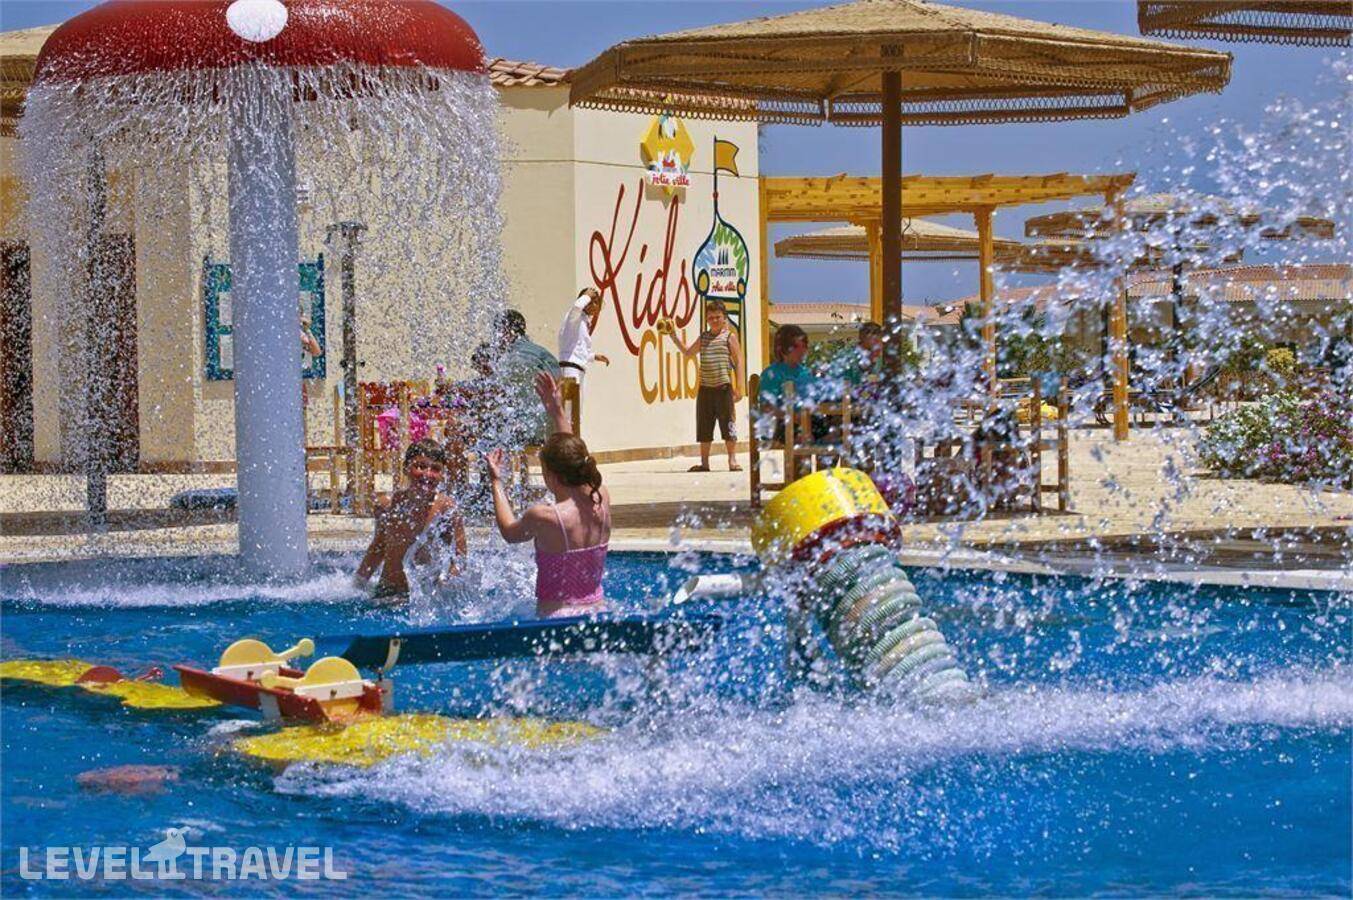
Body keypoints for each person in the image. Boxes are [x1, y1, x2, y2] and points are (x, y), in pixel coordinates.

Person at [486, 372, 610, 619]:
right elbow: (574, 452)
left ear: (550, 475)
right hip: (598, 611)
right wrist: (557, 412)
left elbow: (509, 532)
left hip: (556, 620)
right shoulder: (601, 497)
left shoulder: (545, 516)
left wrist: (496, 481)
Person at [354, 439, 467, 601]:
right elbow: (378, 548)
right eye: (420, 466)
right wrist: (357, 585)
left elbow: (460, 558)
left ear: (442, 475)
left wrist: (446, 587)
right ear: (406, 468)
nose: (427, 474)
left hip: (425, 599)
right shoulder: (387, 505)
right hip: (387, 593)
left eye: (435, 469)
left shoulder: (447, 509)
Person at [666, 300, 743, 472]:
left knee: (728, 425)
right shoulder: (704, 337)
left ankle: (732, 460)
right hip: (705, 389)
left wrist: (739, 387)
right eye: (710, 318)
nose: (714, 320)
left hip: (723, 388)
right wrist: (673, 336)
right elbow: (688, 352)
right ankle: (704, 463)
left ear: (724, 318)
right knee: (704, 427)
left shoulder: (729, 337)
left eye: (717, 317)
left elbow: (738, 361)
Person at [494, 309, 561, 448]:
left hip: (531, 430)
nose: (496, 338)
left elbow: (499, 392)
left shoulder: (513, 358)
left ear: (506, 331)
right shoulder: (541, 351)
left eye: (497, 332)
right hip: (553, 423)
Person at [757, 324, 831, 444]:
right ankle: (803, 451)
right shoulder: (772, 374)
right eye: (796, 346)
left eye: (804, 346)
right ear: (782, 349)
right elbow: (767, 408)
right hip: (781, 423)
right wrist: (795, 417)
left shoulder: (807, 373)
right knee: (801, 435)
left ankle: (825, 451)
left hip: (807, 422)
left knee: (834, 432)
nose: (802, 350)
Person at [557, 287, 610, 390]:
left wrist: (594, 357)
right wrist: (587, 296)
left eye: (596, 302)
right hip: (570, 369)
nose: (594, 305)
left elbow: (578, 349)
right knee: (570, 401)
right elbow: (577, 307)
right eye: (591, 302)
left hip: (578, 369)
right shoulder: (574, 316)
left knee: (577, 401)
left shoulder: (583, 321)